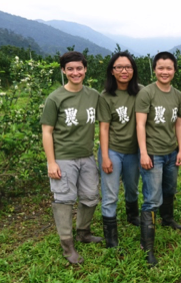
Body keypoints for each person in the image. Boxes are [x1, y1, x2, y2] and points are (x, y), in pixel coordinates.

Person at [41, 51, 102, 265]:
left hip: (86, 156)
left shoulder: (93, 95)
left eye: (79, 68)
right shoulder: (55, 98)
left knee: (90, 196)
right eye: (70, 69)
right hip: (64, 157)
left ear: (85, 70)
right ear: (63, 71)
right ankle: (68, 246)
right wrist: (51, 162)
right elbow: (47, 131)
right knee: (64, 200)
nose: (75, 72)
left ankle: (83, 232)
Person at [135, 51, 181, 266]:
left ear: (174, 70)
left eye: (169, 68)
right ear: (154, 70)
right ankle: (147, 245)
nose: (165, 72)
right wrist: (144, 153)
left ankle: (168, 220)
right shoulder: (146, 93)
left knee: (170, 189)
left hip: (171, 151)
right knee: (152, 197)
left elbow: (179, 123)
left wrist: (180, 150)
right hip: (153, 153)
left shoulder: (178, 95)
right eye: (161, 68)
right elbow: (140, 124)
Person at [97, 51, 143, 249]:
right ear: (112, 71)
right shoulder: (106, 96)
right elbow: (104, 128)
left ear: (133, 70)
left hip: (134, 151)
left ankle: (133, 215)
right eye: (119, 67)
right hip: (113, 150)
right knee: (110, 193)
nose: (124, 71)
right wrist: (105, 156)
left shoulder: (142, 92)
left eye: (128, 67)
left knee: (132, 188)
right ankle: (111, 235)